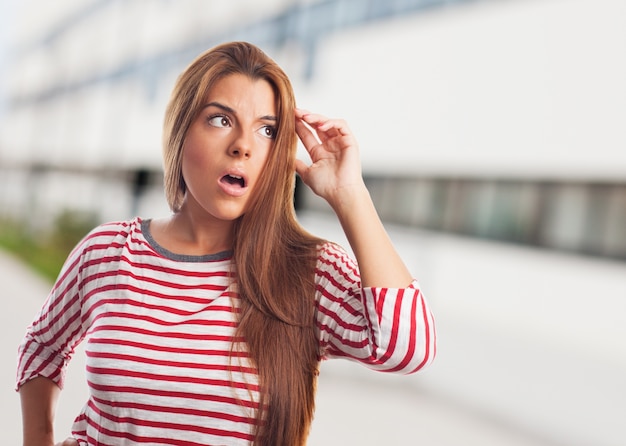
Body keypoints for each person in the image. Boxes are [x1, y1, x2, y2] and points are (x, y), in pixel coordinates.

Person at [16, 41, 436, 446]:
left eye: (267, 130)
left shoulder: (307, 272)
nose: (242, 146)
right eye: (220, 120)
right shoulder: (108, 251)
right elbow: (41, 346)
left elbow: (407, 347)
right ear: (181, 131)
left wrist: (350, 196)